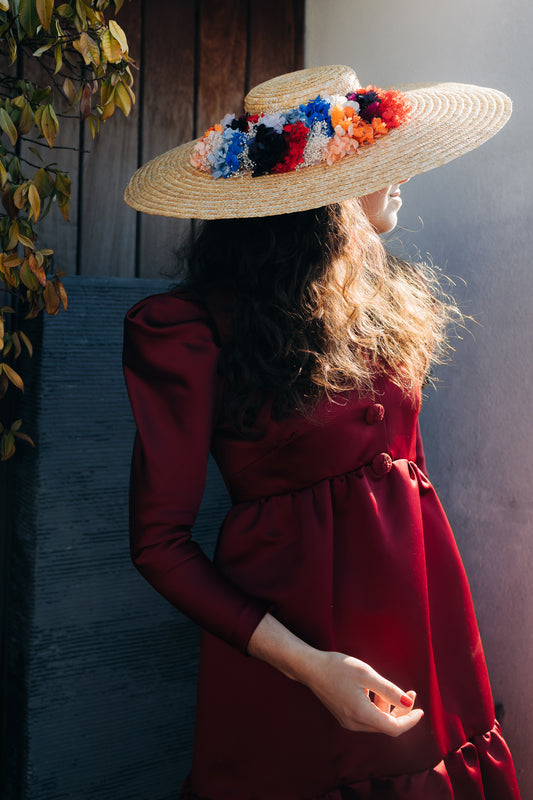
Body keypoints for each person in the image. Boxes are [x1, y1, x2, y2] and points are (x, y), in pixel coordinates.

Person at [122, 65, 520, 799]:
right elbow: (158, 543)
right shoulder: (190, 332)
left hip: (422, 620)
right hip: (295, 645)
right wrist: (311, 667)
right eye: (379, 164)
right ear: (319, 201)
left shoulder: (387, 301)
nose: (402, 179)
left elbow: (408, 477)